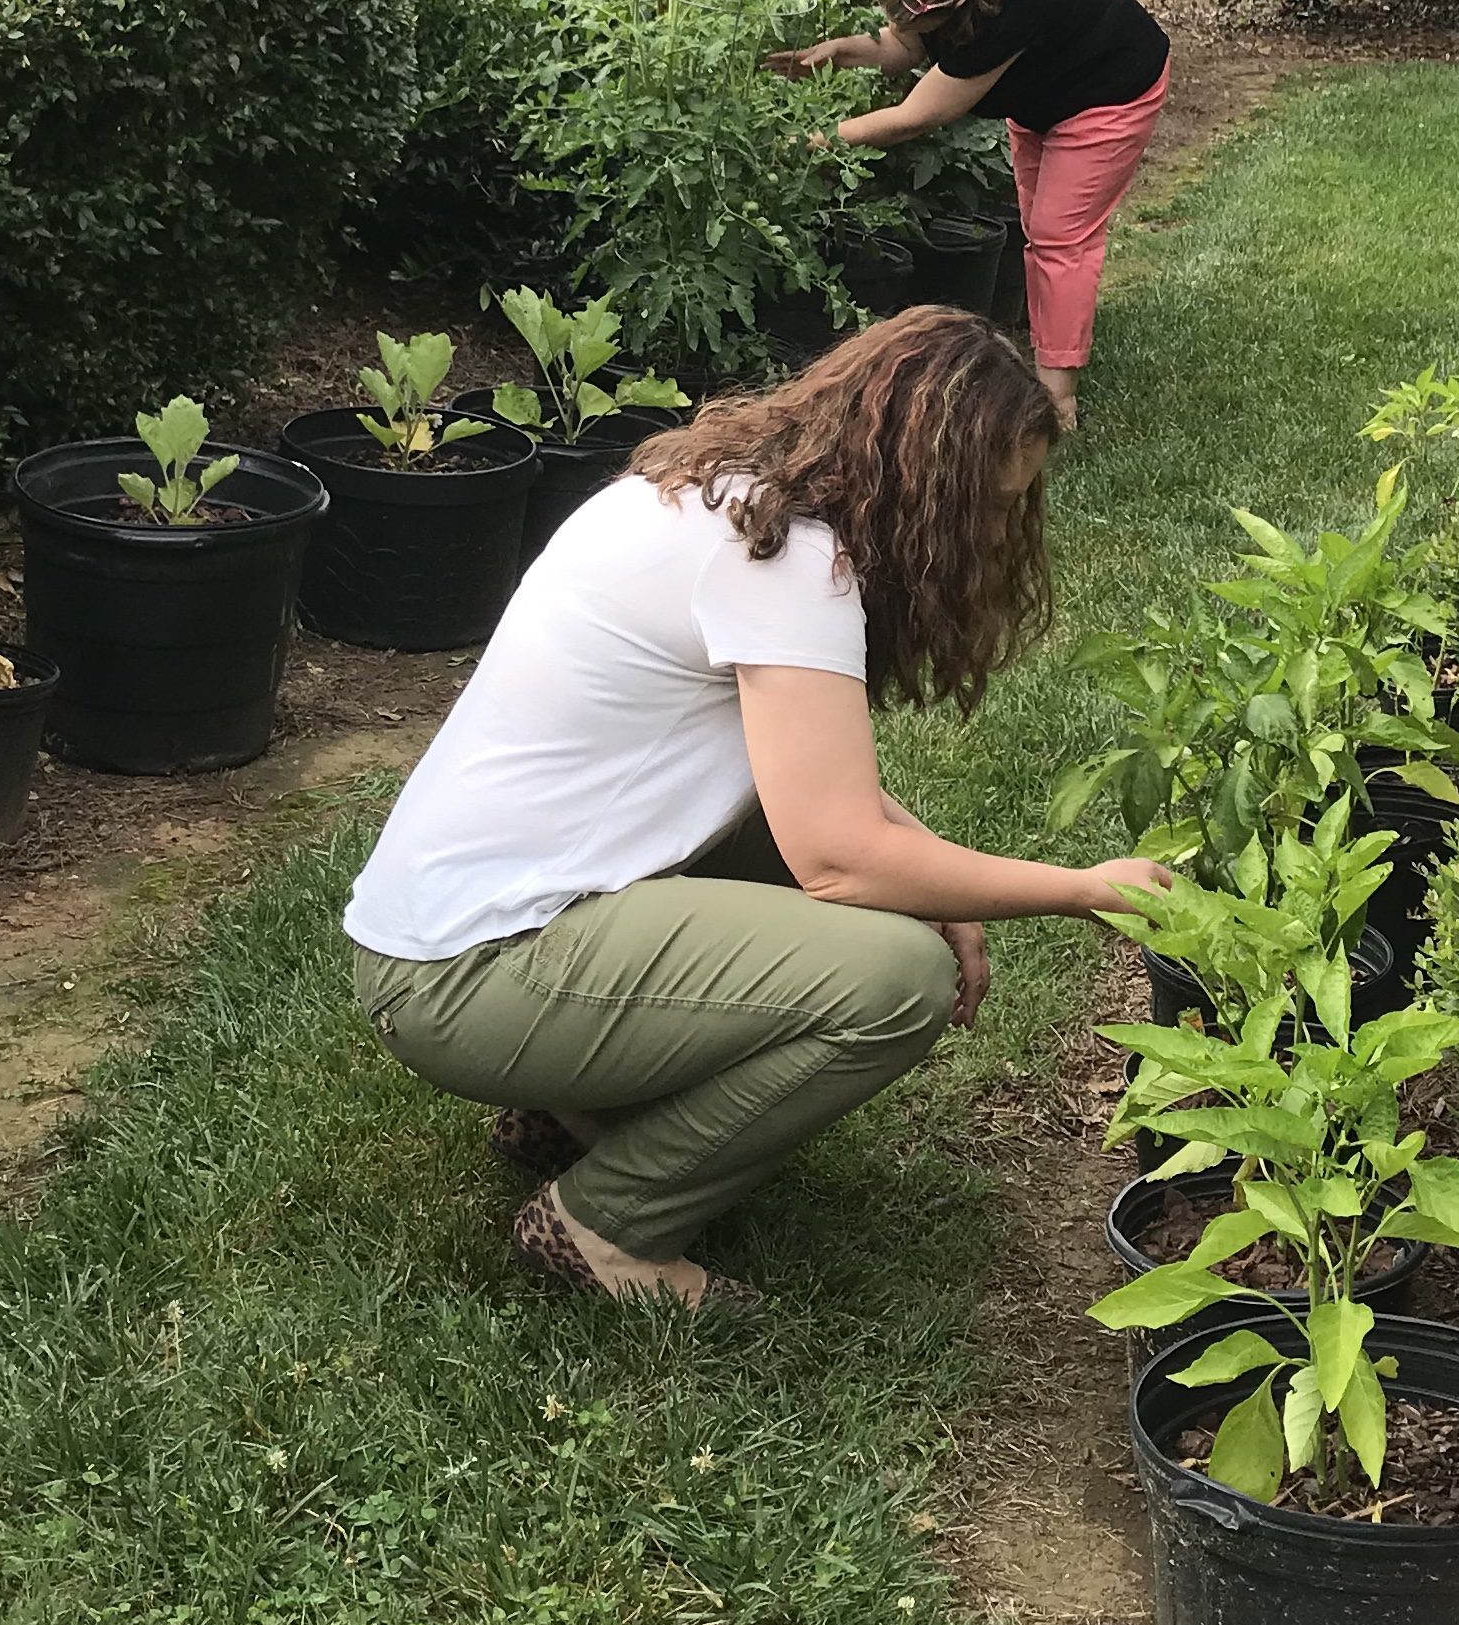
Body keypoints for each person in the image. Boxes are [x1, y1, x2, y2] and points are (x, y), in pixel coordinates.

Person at [344, 308, 1172, 1308]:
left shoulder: (707, 497)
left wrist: (940, 879)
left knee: (877, 895)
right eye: (988, 506)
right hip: (468, 978)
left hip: (445, 928)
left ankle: (573, 1111)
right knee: (897, 977)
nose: (997, 532)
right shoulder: (782, 560)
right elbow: (839, 856)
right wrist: (1081, 889)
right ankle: (608, 1226)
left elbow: (807, 779)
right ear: (927, 480)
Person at [767, 0, 1171, 431]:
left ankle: (1058, 402)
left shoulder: (1009, 14)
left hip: (1111, 85)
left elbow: (915, 116)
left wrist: (813, 140)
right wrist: (840, 53)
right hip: (1042, 90)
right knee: (1038, 230)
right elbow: (903, 45)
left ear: (953, 7)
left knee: (1060, 237)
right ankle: (1050, 344)